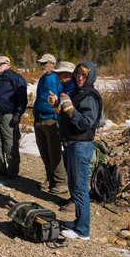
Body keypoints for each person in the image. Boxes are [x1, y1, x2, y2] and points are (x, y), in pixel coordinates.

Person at [49, 61, 102, 240]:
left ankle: (82, 231)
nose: (80, 78)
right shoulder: (77, 93)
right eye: (78, 74)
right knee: (73, 186)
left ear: (91, 77)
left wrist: (69, 108)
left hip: (81, 145)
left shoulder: (90, 96)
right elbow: (68, 116)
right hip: (71, 144)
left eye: (84, 75)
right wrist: (57, 106)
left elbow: (85, 122)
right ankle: (80, 221)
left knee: (79, 189)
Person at [0, 56, 28, 179]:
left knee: (10, 144)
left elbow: (22, 99)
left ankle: (12, 171)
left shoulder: (16, 78)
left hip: (9, 115)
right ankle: (0, 169)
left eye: (2, 63)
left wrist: (18, 114)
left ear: (8, 65)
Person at [32, 54, 67, 195]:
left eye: (45, 63)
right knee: (44, 152)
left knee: (54, 153)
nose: (42, 65)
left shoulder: (58, 78)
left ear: (52, 63)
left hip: (52, 119)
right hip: (39, 118)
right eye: (41, 63)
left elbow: (63, 97)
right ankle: (50, 179)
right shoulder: (42, 79)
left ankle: (61, 182)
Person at [52, 61, 76, 212]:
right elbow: (64, 114)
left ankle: (76, 201)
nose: (58, 76)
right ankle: (73, 197)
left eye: (60, 73)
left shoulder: (74, 89)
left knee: (74, 169)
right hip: (67, 133)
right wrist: (56, 107)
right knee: (69, 166)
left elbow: (74, 114)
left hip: (74, 136)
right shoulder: (65, 88)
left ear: (69, 74)